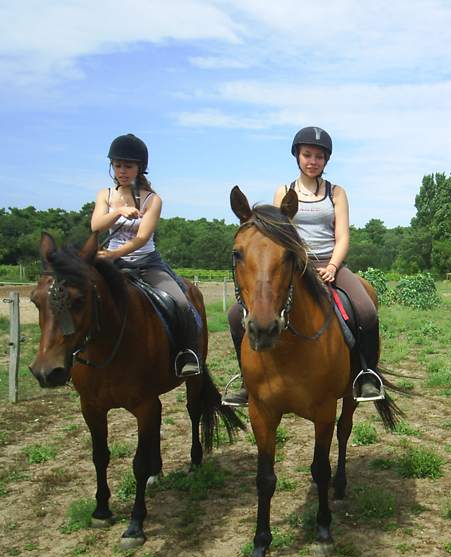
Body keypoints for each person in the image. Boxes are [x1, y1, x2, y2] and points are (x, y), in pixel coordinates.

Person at [224, 126, 385, 406]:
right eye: (307, 154)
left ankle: (366, 374)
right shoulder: (283, 192)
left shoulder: (336, 193)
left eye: (319, 156)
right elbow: (273, 235)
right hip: (292, 266)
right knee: (235, 313)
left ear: (326, 160)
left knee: (366, 311)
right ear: (297, 156)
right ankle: (247, 380)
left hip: (328, 263)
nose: (312, 161)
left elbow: (343, 236)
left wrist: (334, 266)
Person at [91, 133, 202, 377]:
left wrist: (113, 254)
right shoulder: (105, 195)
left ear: (139, 168)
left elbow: (142, 238)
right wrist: (119, 211)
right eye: (117, 165)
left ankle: (187, 353)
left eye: (128, 166)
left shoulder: (153, 200)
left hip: (147, 264)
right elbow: (96, 226)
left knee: (182, 303)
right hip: (111, 263)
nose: (122, 171)